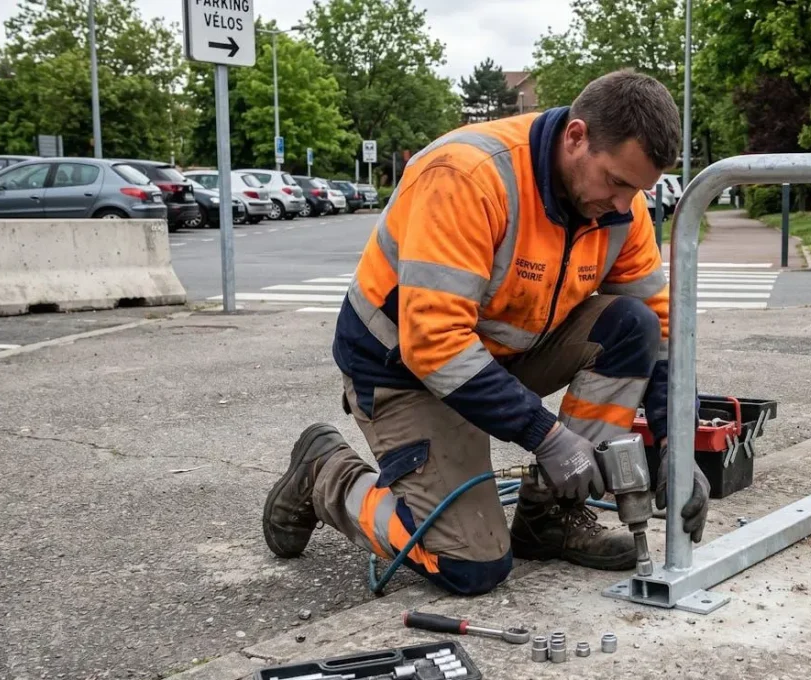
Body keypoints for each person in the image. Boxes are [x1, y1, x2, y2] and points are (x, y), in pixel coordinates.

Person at [261, 70, 711, 596]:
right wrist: (546, 435)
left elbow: (658, 331)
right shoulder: (468, 175)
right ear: (576, 137)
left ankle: (551, 516)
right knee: (471, 565)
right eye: (616, 181)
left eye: (637, 189)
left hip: (498, 357)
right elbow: (434, 342)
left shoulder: (620, 208)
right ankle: (324, 473)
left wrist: (678, 450)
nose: (623, 204)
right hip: (403, 368)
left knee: (630, 326)